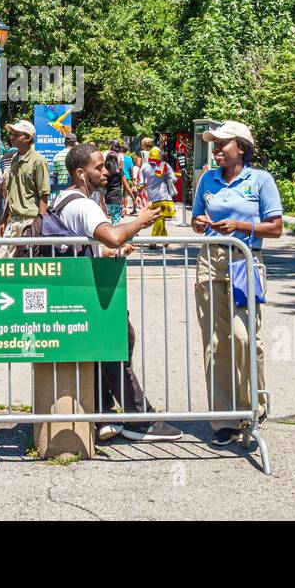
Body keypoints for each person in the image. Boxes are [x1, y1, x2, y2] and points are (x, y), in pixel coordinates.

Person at [54, 142, 181, 442]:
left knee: (108, 349)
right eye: (98, 167)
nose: (106, 171)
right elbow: (109, 236)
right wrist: (140, 221)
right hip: (92, 293)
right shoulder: (83, 204)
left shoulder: (63, 199)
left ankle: (104, 414)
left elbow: (84, 246)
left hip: (81, 288)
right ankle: (140, 420)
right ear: (80, 173)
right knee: (119, 345)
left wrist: (111, 252)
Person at [190, 121, 282, 447]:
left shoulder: (260, 180)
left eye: (222, 143)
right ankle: (224, 419)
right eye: (214, 143)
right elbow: (195, 221)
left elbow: (276, 227)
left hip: (245, 260)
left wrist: (240, 225)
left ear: (240, 147)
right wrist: (199, 223)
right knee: (216, 342)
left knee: (245, 338)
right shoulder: (207, 180)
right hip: (210, 261)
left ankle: (253, 409)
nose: (216, 148)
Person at [0, 119, 50, 256]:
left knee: (27, 264)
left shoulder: (39, 161)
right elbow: (11, 193)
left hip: (30, 221)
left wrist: (39, 224)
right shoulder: (15, 159)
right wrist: (3, 219)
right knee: (3, 263)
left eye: (16, 134)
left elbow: (44, 195)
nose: (12, 137)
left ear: (27, 138)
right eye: (12, 133)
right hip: (13, 220)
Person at [143, 147, 178, 239]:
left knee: (159, 219)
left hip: (151, 198)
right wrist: (166, 176)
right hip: (163, 196)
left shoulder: (145, 166)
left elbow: (140, 183)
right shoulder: (165, 165)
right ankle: (153, 241)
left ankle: (165, 240)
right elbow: (174, 179)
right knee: (159, 219)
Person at [49, 132, 75, 197]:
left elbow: (55, 176)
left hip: (60, 191)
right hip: (74, 190)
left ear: (64, 143)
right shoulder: (76, 155)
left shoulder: (57, 156)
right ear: (74, 143)